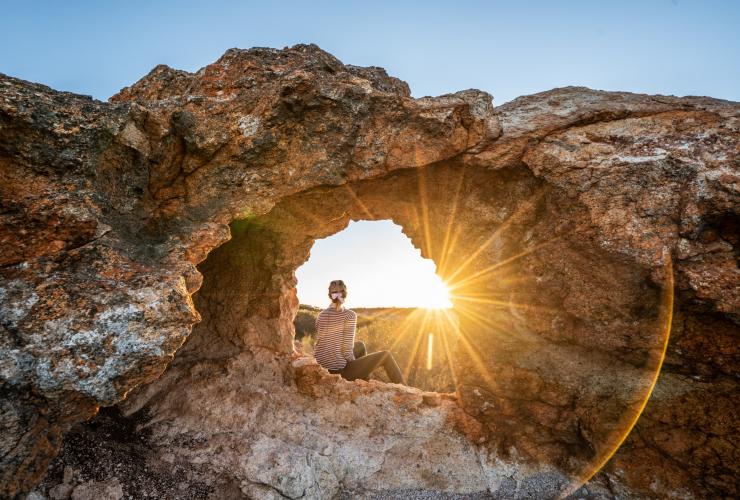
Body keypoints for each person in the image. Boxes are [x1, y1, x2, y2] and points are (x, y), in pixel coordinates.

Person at [313, 279, 406, 385]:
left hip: (321, 366)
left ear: (330, 295)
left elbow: (320, 341)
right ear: (345, 294)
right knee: (386, 355)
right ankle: (406, 389)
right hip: (338, 372)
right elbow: (346, 351)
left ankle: (364, 380)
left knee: (360, 345)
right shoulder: (349, 315)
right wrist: (355, 364)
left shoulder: (321, 315)